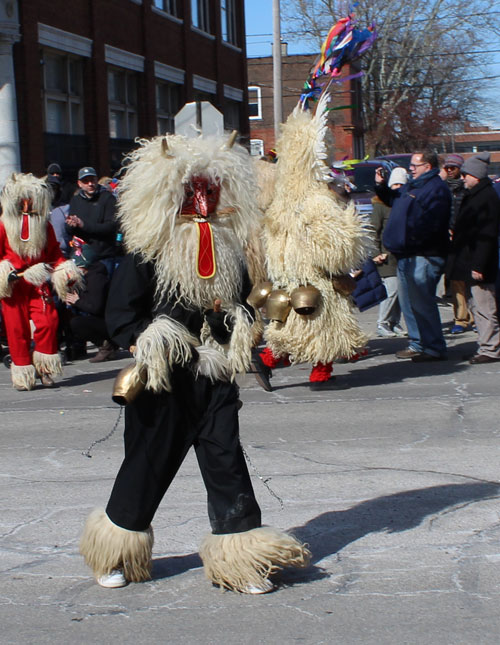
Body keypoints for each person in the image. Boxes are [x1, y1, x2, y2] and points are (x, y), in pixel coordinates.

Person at [79, 132, 310, 593]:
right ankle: (117, 553)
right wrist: (151, 338)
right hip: (163, 375)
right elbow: (122, 314)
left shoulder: (229, 252)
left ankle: (240, 561)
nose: (203, 202)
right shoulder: (148, 250)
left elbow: (243, 306)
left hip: (215, 375)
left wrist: (237, 320)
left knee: (227, 464)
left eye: (211, 191)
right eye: (194, 192)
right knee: (147, 464)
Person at [0, 173, 81, 390]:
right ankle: (23, 374)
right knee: (17, 331)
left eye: (31, 199)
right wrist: (4, 273)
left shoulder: (44, 226)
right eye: (23, 200)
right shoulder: (3, 225)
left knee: (48, 322)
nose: (27, 205)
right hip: (14, 284)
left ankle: (44, 369)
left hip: (38, 282)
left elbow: (54, 254)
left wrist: (65, 270)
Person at [378, 150, 452, 362]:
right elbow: (395, 200)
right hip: (406, 254)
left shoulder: (436, 189)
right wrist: (381, 186)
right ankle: (418, 342)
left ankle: (434, 347)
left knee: (422, 302)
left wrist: (412, 240)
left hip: (424, 255)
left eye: (415, 165)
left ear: (427, 166)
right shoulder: (413, 185)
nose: (410, 168)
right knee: (409, 302)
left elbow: (433, 225)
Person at [447, 152, 500, 363]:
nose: (462, 178)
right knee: (476, 306)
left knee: (485, 307)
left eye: (466, 175)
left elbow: (486, 235)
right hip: (469, 261)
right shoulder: (475, 195)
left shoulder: (486, 198)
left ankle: (490, 348)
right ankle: (484, 345)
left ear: (476, 176)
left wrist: (478, 265)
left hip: (479, 264)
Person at [371, 166, 408, 337]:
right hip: (385, 258)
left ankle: (394, 322)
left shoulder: (403, 204)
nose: (398, 188)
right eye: (395, 185)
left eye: (401, 184)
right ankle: (382, 323)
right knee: (391, 290)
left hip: (398, 255)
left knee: (400, 292)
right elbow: (373, 231)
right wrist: (375, 253)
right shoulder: (380, 206)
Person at [65, 244, 118, 363]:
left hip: (111, 322)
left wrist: (77, 301)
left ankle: (107, 346)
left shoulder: (97, 279)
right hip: (104, 318)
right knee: (73, 320)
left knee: (77, 323)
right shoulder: (90, 277)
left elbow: (96, 307)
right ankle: (107, 344)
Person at [441, 154, 474, 334]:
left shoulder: (467, 189)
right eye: (447, 168)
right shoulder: (442, 189)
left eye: (453, 167)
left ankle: (475, 317)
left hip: (467, 239)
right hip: (449, 240)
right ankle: (460, 318)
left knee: (471, 281)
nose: (450, 171)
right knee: (455, 281)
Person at [66, 167, 118, 277]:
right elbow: (70, 230)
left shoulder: (107, 198)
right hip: (82, 257)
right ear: (79, 184)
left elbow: (110, 227)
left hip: (103, 257)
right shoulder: (76, 200)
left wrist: (83, 225)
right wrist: (72, 225)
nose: (90, 184)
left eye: (92, 180)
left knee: (103, 290)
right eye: (85, 181)